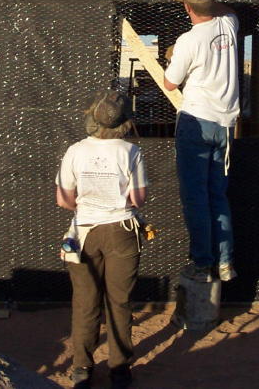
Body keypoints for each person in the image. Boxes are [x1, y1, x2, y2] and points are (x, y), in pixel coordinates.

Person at [56, 91, 147, 389]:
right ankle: (119, 370)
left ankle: (82, 367)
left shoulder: (74, 151)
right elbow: (139, 198)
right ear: (124, 121)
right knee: (119, 301)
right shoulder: (131, 152)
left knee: (85, 302)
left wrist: (85, 206)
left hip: (84, 232)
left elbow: (63, 199)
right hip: (122, 230)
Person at [163, 0, 239, 283]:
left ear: (186, 7)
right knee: (218, 196)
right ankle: (225, 262)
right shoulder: (229, 24)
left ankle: (202, 263)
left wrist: (171, 58)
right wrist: (205, 1)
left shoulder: (188, 41)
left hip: (197, 122)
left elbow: (170, 83)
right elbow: (227, 9)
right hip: (225, 127)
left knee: (196, 197)